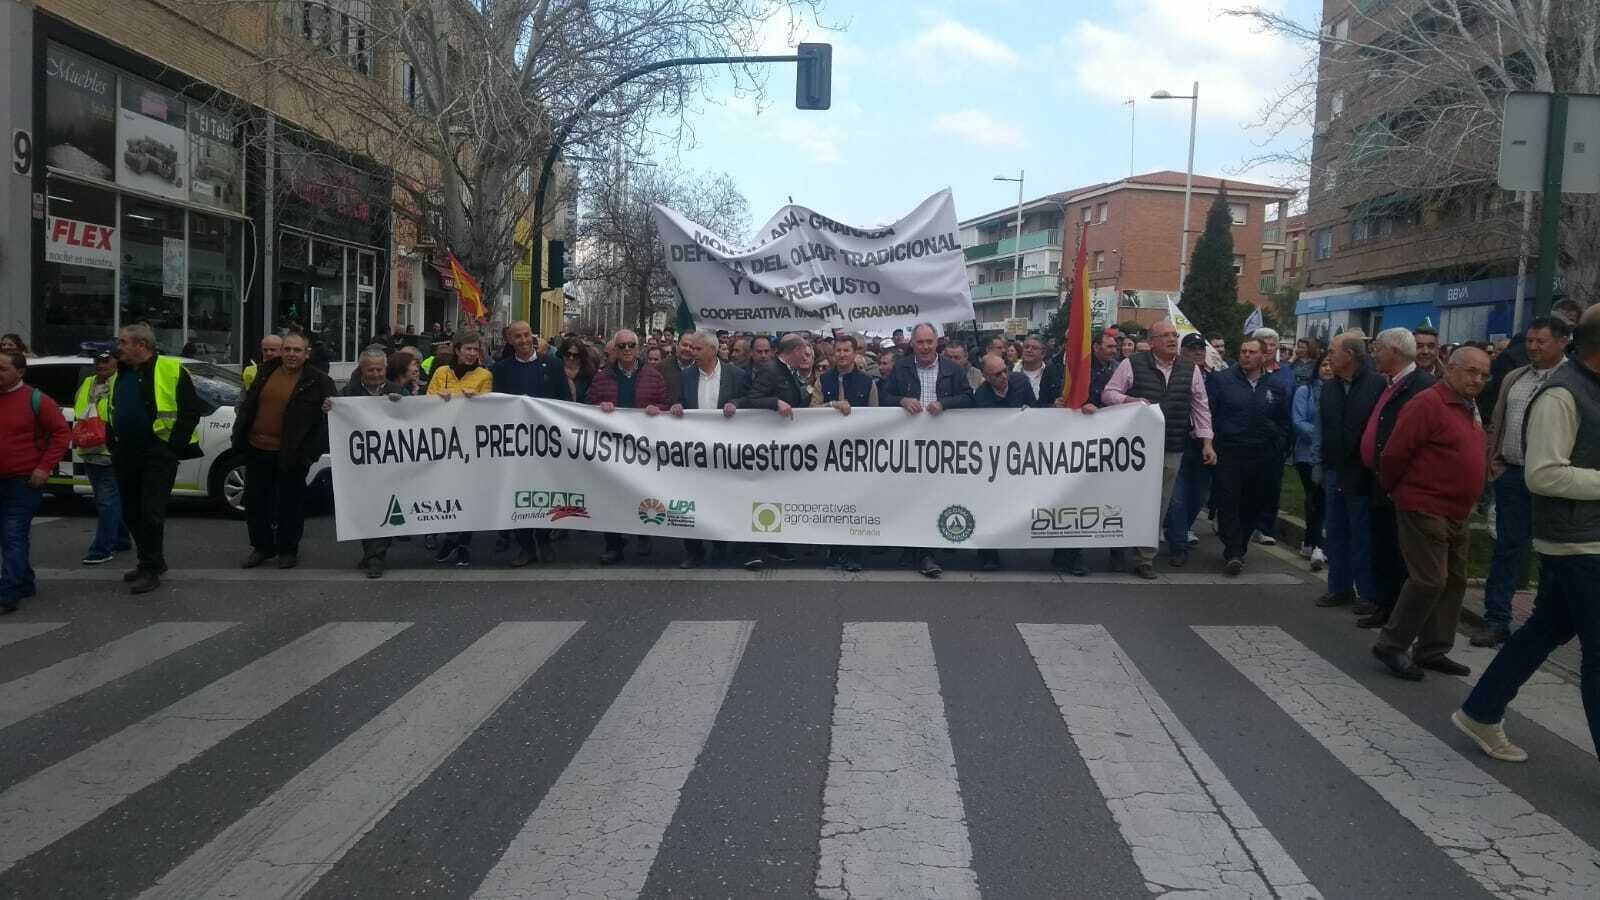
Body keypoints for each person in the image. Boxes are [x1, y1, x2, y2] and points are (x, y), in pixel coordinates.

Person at [1454, 316, 1600, 762]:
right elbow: (1543, 474)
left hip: (1586, 539)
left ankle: (1481, 711)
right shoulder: (1561, 394)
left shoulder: (1587, 387)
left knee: (1544, 631)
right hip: (1577, 545)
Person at [1370, 347, 1491, 680]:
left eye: (1483, 374)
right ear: (1449, 369)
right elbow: (1394, 454)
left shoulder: (1469, 407)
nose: (1477, 379)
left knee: (1453, 580)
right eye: (1471, 371)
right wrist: (1398, 491)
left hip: (1457, 509)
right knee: (1429, 579)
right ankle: (1392, 645)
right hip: (1424, 505)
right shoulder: (1427, 404)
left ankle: (1433, 649)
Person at [1475, 317, 1571, 647]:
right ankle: (1496, 620)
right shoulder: (1515, 377)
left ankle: (1543, 621)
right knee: (1506, 549)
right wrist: (1494, 461)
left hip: (1551, 480)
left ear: (1562, 342)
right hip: (1512, 474)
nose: (1532, 347)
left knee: (1549, 551)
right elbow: (1498, 421)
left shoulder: (1572, 381)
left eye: (1540, 341)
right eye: (1530, 340)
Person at [1103, 319, 1216, 578]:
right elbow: (1109, 394)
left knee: (1159, 503)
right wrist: (1130, 400)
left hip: (1171, 445)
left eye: (1174, 335)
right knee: (1128, 498)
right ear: (1152, 341)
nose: (1172, 339)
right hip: (1135, 449)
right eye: (1165, 335)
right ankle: (1118, 548)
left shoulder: (1191, 370)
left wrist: (1207, 442)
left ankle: (1145, 558)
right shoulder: (1131, 364)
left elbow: (1200, 407)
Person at [109, 323, 205, 594]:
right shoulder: (122, 373)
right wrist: (112, 442)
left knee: (151, 512)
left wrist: (171, 448)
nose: (120, 347)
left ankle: (150, 568)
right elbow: (113, 408)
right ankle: (151, 559)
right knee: (130, 511)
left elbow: (189, 413)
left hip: (157, 453)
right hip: (126, 452)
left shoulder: (171, 370)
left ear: (142, 345)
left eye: (124, 342)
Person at [1355, 328, 1438, 629]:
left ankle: (1399, 618)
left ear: (1395, 352)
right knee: (1383, 548)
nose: (1373, 353)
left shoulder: (1421, 386)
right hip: (1379, 480)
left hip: (1402, 484)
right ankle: (1383, 605)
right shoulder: (1386, 383)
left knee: (1400, 552)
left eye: (1378, 348)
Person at [232, 332, 335, 570]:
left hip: (292, 453)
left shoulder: (319, 381)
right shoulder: (265, 371)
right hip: (256, 448)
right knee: (256, 503)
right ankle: (262, 547)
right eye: (287, 349)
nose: (291, 354)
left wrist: (310, 454)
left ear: (306, 354)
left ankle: (288, 550)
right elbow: (249, 405)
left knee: (290, 504)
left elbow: (327, 421)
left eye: (297, 350)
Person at [878, 323, 974, 578]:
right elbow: (884, 398)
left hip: (942, 446)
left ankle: (926, 552)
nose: (924, 347)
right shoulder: (902, 367)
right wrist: (902, 400)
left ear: (937, 342)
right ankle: (914, 548)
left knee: (933, 496)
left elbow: (968, 398)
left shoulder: (952, 369)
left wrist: (945, 403)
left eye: (929, 342)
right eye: (920, 342)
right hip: (909, 446)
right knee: (910, 496)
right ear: (912, 344)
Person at [1208, 338, 1293, 575]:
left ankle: (1240, 545)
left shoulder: (1275, 386)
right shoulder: (1222, 381)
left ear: (1264, 357)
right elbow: (1209, 414)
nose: (1246, 355)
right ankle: (1234, 550)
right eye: (1243, 351)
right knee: (1228, 501)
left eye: (1252, 352)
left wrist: (1278, 442)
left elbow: (1283, 420)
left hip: (1263, 455)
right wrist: (1212, 443)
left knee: (1253, 503)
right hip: (1230, 451)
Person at [738, 334, 823, 570]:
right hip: (765, 445)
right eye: (804, 352)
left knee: (777, 497)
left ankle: (774, 546)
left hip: (782, 446)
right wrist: (775, 402)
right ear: (794, 351)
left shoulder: (786, 371)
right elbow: (752, 398)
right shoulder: (771, 370)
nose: (806, 357)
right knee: (761, 496)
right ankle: (752, 551)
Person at [671, 330, 752, 569]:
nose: (691, 353)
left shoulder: (736, 375)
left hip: (725, 452)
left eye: (697, 349)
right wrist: (675, 405)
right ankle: (694, 550)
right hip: (693, 451)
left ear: (713, 350)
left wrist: (735, 403)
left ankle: (720, 545)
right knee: (692, 498)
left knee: (722, 498)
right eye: (691, 348)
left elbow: (748, 399)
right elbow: (678, 401)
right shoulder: (685, 376)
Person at [589, 328, 668, 565]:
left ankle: (643, 534)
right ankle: (613, 545)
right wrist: (598, 407)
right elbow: (586, 405)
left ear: (638, 347)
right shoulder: (602, 377)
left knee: (642, 492)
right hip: (612, 448)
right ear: (614, 349)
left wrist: (660, 410)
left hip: (643, 448)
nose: (626, 350)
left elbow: (666, 403)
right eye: (621, 346)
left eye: (630, 345)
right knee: (611, 496)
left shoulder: (654, 376)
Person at [1317, 329, 1383, 609]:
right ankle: (1339, 587)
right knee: (1335, 530)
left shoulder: (1376, 384)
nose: (1328, 357)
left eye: (1333, 351)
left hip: (1362, 471)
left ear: (1350, 355)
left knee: (1362, 534)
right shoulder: (1330, 387)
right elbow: (1323, 426)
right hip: (1335, 468)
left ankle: (1367, 592)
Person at [0, 351, 70, 613]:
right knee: (10, 535)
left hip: (23, 481)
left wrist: (44, 468)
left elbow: (62, 434)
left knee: (12, 533)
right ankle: (24, 581)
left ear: (20, 372)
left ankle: (8, 593)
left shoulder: (36, 400)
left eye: (2, 369)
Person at [492, 321, 554, 567]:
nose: (524, 340)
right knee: (517, 495)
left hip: (547, 445)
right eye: (517, 336)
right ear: (510, 340)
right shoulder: (501, 369)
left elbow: (564, 401)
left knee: (545, 494)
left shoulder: (553, 366)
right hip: (514, 446)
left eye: (527, 334)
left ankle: (544, 539)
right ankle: (526, 546)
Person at [428, 335, 493, 566]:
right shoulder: (440, 373)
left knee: (468, 494)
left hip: (471, 444)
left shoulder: (485, 375)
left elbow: (490, 410)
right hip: (444, 443)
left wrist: (478, 401)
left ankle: (462, 543)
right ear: (457, 350)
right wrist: (437, 398)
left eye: (476, 349)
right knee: (448, 492)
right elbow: (425, 406)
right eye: (468, 348)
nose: (472, 353)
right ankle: (450, 537)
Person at [75, 350, 131, 565]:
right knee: (107, 499)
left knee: (107, 500)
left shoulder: (122, 382)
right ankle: (121, 538)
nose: (101, 365)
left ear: (117, 361)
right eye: (97, 361)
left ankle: (101, 549)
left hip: (109, 452)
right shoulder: (88, 382)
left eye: (106, 360)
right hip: (89, 448)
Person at [1166, 333, 1219, 561]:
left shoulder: (1218, 379)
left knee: (1199, 495)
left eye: (1201, 348)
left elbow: (1209, 409)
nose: (1197, 352)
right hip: (1179, 440)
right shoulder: (1176, 374)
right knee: (1177, 496)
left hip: (1205, 444)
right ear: (1182, 351)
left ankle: (1180, 529)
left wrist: (1210, 441)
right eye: (1192, 348)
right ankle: (1178, 546)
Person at [1292, 352, 1330, 571]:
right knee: (1316, 496)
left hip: (1329, 455)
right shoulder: (1304, 392)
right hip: (1307, 455)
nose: (1328, 369)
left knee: (1318, 499)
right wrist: (1320, 435)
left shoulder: (1340, 392)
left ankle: (1308, 542)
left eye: (1331, 365)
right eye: (1324, 365)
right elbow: (1298, 421)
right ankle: (1317, 545)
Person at [821, 335, 877, 410]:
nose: (842, 355)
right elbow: (812, 409)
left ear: (855, 353)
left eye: (846, 350)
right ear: (834, 353)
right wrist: (831, 405)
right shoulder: (823, 379)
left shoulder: (868, 382)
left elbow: (874, 412)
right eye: (838, 350)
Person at [549, 337, 596, 403]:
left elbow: (592, 399)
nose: (571, 358)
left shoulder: (589, 374)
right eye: (568, 354)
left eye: (576, 355)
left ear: (581, 357)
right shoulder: (553, 371)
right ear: (562, 353)